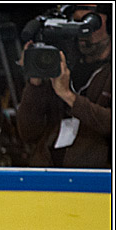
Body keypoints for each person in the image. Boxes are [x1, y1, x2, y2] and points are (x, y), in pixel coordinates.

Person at [16, 5, 111, 168]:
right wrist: (35, 84)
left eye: (90, 23)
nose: (83, 32)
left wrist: (69, 96)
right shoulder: (60, 64)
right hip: (47, 171)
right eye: (77, 23)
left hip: (94, 178)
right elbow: (27, 132)